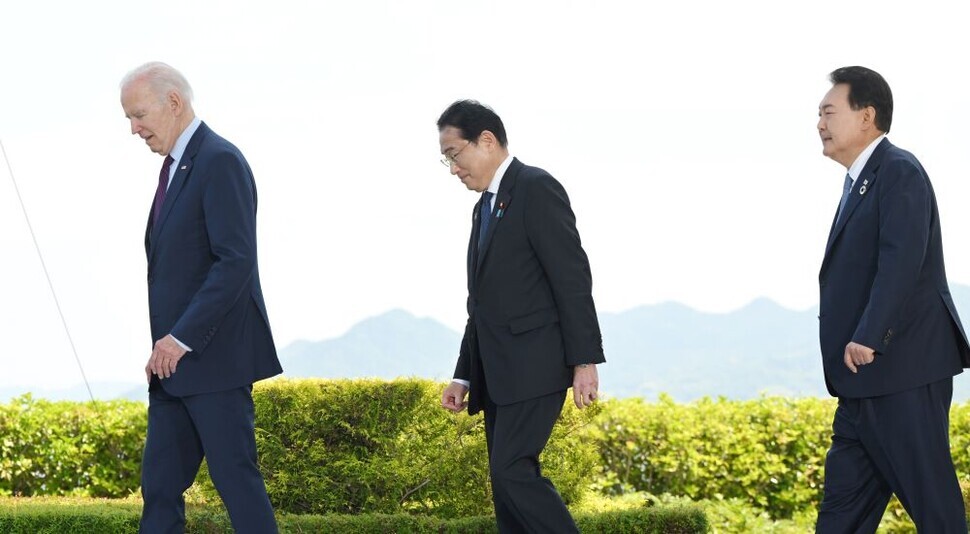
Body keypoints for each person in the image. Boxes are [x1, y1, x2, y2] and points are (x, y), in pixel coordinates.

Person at [120, 62, 282, 533]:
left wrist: (181, 339)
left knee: (236, 484)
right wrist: (165, 348)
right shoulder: (175, 169)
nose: (134, 129)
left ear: (174, 102)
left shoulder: (220, 160)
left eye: (139, 114)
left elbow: (235, 262)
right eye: (128, 119)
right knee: (160, 489)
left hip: (213, 362)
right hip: (170, 371)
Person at [815, 66, 970, 532]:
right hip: (860, 383)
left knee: (935, 510)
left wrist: (869, 335)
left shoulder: (899, 170)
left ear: (867, 116)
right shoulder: (859, 181)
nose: (819, 124)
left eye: (828, 112)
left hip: (901, 370)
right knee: (839, 518)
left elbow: (901, 260)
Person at [437, 100, 605, 533]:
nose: (453, 169)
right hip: (498, 373)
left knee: (513, 471)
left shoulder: (536, 187)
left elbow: (571, 278)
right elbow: (482, 305)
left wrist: (584, 361)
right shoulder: (483, 209)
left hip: (537, 363)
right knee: (505, 487)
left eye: (454, 155)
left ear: (487, 141)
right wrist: (464, 375)